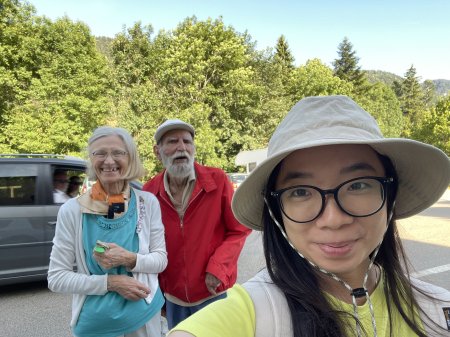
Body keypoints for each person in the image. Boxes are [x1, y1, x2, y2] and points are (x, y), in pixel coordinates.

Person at [168, 96, 450, 337]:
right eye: (301, 191)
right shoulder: (255, 314)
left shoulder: (437, 310)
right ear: (276, 211)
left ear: (390, 195)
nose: (333, 219)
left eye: (358, 185)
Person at [48, 126, 168, 337]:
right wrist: (111, 283)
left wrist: (129, 259)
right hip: (97, 325)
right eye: (100, 153)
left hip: (144, 317)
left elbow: (160, 260)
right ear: (92, 159)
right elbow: (57, 278)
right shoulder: (72, 210)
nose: (109, 161)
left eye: (118, 153)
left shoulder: (146, 203)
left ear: (130, 158)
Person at [143, 119, 252, 329]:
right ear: (158, 151)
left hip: (215, 292)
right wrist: (157, 291)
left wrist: (218, 267)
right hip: (173, 299)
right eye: (172, 141)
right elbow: (147, 246)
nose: (181, 147)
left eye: (187, 141)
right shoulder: (149, 192)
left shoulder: (217, 180)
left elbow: (239, 229)